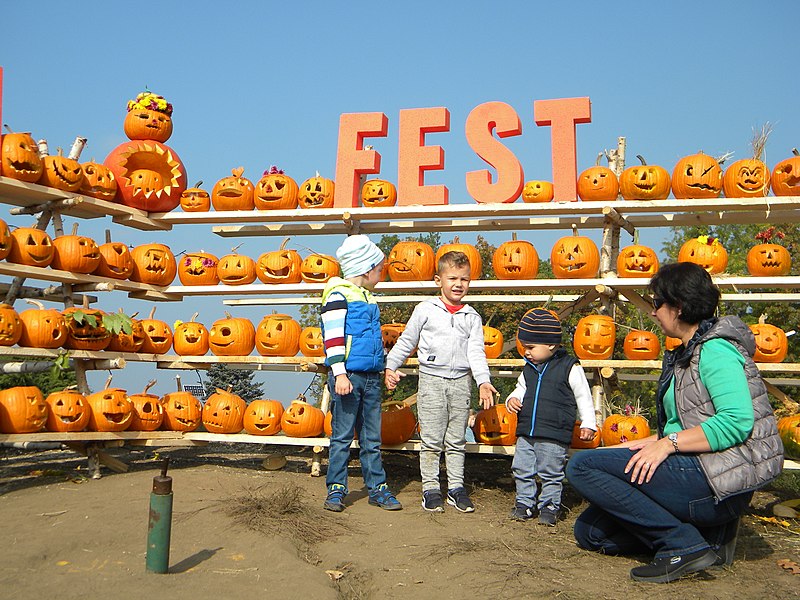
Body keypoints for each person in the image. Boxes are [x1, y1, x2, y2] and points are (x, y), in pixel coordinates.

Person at [567, 262, 784, 584]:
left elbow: (736, 422)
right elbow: (689, 418)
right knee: (591, 534)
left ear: (678, 308)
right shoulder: (688, 351)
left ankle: (681, 544)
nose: (654, 313)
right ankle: (707, 537)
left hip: (717, 479)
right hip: (697, 466)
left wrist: (667, 444)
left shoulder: (716, 351)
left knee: (582, 466)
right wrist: (656, 440)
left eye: (657, 303)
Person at [385, 251, 498, 513]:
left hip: (460, 382)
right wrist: (391, 366)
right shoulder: (425, 310)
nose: (458, 284)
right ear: (439, 280)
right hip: (432, 380)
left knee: (456, 439)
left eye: (464, 279)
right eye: (452, 278)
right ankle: (431, 488)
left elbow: (476, 353)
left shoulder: (472, 316)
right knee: (432, 439)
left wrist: (483, 381)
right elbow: (406, 341)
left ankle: (456, 487)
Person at [320, 234, 402, 512]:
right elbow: (332, 339)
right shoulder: (337, 294)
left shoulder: (368, 298)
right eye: (380, 270)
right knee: (342, 436)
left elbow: (373, 341)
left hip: (371, 377)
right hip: (349, 377)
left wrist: (386, 366)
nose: (381, 275)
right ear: (366, 269)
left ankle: (377, 488)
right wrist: (339, 374)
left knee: (372, 438)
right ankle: (336, 488)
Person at [505, 308, 597, 526]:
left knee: (551, 471)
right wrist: (513, 398)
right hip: (527, 431)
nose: (525, 352)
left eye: (530, 347)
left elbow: (583, 395)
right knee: (521, 468)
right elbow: (521, 388)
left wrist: (588, 422)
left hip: (554, 433)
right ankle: (525, 503)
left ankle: (549, 506)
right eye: (524, 346)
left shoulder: (569, 367)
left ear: (551, 345)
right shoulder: (529, 369)